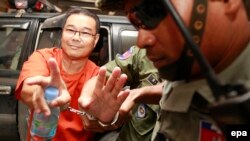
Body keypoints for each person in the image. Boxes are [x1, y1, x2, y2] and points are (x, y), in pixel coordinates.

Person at [79, 0, 250, 141]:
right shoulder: (187, 64)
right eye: (136, 22)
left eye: (153, 12)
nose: (142, 41)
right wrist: (92, 101)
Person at [15, 7, 128, 141]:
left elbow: (103, 121)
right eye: (70, 30)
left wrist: (107, 120)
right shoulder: (44, 57)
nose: (76, 38)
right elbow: (29, 88)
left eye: (85, 33)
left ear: (96, 40)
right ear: (62, 33)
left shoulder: (98, 77)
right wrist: (43, 95)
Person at [80, 45, 163, 141]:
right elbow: (103, 75)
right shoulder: (144, 52)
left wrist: (139, 94)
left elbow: (176, 91)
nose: (142, 39)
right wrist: (87, 98)